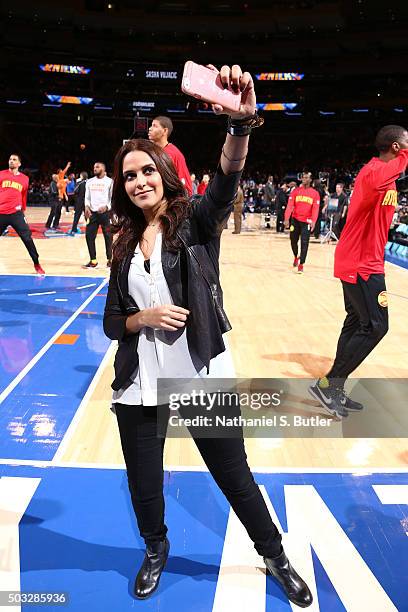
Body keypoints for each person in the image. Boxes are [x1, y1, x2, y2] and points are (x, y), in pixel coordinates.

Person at [103, 63, 312, 607]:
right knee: (144, 486)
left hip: (200, 376)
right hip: (138, 387)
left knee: (236, 480)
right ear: (122, 188)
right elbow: (111, 323)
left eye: (146, 170)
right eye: (129, 176)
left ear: (164, 173)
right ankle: (156, 548)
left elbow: (224, 185)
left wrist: (240, 125)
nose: (139, 180)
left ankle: (275, 556)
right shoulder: (122, 243)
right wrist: (141, 320)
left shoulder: (193, 220)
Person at [310, 125, 408, 418]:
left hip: (362, 259)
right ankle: (329, 384)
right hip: (361, 263)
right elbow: (387, 174)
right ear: (395, 147)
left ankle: (334, 388)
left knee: (356, 322)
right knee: (377, 326)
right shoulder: (374, 171)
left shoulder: (384, 177)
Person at [0, 154, 45, 275]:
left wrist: (23, 210)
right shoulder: (1, 174)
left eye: (14, 160)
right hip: (1, 212)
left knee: (27, 239)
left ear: (19, 164)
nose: (11, 161)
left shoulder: (25, 179)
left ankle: (36, 263)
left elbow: (23, 195)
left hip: (16, 213)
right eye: (10, 159)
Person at [284, 172, 319, 274]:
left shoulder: (315, 193)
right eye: (303, 177)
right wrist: (286, 218)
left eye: (306, 177)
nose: (304, 179)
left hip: (306, 222)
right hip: (295, 220)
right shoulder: (295, 191)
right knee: (293, 241)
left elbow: (315, 209)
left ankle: (301, 264)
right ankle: (296, 256)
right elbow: (290, 205)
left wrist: (313, 221)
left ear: (310, 180)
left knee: (304, 243)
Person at [148, 116, 193, 195]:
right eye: (151, 125)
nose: (150, 128)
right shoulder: (148, 152)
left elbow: (186, 186)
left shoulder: (175, 154)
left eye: (155, 126)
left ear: (164, 131)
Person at [83, 162, 113, 268]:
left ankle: (110, 259)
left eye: (97, 167)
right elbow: (87, 197)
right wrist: (86, 206)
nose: (95, 168)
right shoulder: (90, 182)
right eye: (94, 167)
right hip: (92, 213)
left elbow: (112, 198)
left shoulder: (110, 182)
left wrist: (107, 207)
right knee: (89, 237)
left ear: (103, 169)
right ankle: (93, 260)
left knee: (108, 237)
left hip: (105, 213)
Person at [69, 171, 88, 235]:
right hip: (87, 202)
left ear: (81, 176)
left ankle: (73, 229)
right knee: (87, 216)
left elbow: (75, 191)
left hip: (80, 201)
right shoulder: (89, 183)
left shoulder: (79, 183)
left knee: (77, 216)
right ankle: (90, 230)